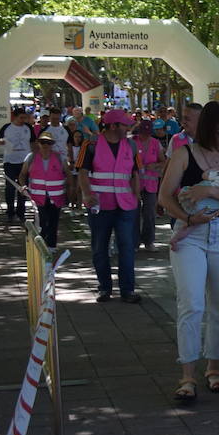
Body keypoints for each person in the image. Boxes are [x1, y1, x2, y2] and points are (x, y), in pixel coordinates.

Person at [159, 101, 219, 402]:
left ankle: (214, 367)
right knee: (191, 303)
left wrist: (209, 191)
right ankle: (187, 374)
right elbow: (164, 196)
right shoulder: (183, 154)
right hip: (191, 235)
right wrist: (188, 218)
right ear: (207, 129)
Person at [78, 109, 143, 303]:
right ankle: (104, 288)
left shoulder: (131, 145)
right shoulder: (90, 145)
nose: (128, 127)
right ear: (113, 126)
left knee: (127, 247)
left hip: (125, 206)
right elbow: (82, 172)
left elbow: (135, 174)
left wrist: (137, 197)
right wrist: (87, 194)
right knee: (100, 248)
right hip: (100, 205)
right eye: (125, 124)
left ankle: (127, 290)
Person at [20, 133, 67, 248]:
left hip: (56, 197)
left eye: (49, 143)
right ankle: (40, 245)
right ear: (38, 143)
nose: (45, 145)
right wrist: (23, 186)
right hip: (38, 196)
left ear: (52, 144)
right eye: (43, 142)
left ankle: (51, 247)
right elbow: (22, 174)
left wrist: (70, 190)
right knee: (42, 222)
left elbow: (69, 175)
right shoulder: (31, 157)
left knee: (53, 222)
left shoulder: (60, 157)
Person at [0, 107, 35, 222]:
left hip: (25, 162)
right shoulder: (6, 127)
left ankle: (21, 211)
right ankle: (10, 211)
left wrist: (34, 158)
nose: (23, 120)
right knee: (10, 187)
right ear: (15, 117)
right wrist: (1, 142)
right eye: (21, 118)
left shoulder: (28, 127)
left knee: (23, 187)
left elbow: (33, 142)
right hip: (10, 161)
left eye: (25, 118)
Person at [133, 119, 164, 252]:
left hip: (151, 184)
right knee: (133, 213)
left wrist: (155, 166)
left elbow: (163, 162)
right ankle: (134, 242)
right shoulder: (132, 142)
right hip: (134, 183)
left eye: (147, 133)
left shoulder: (155, 144)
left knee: (149, 213)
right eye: (142, 133)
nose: (144, 136)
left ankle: (149, 240)